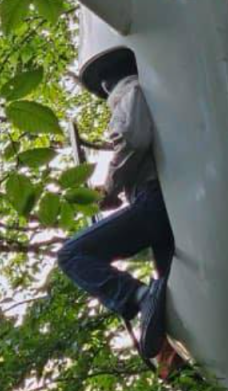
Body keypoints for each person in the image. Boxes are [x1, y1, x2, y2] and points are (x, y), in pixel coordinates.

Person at [56, 47, 182, 378]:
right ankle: (175, 352)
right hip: (175, 205)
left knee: (72, 254)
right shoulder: (166, 97)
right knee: (174, 294)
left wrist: (110, 189)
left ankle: (138, 296)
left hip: (155, 202)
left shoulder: (129, 88)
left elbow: (133, 137)